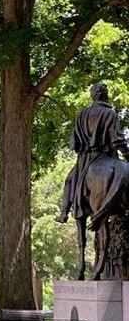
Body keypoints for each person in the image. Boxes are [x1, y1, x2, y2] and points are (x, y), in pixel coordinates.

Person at [57, 82, 129, 223]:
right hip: (106, 156)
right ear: (105, 95)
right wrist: (127, 155)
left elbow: (74, 142)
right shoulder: (110, 113)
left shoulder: (82, 115)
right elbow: (117, 140)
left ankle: (64, 212)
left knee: (69, 180)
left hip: (85, 160)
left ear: (92, 96)